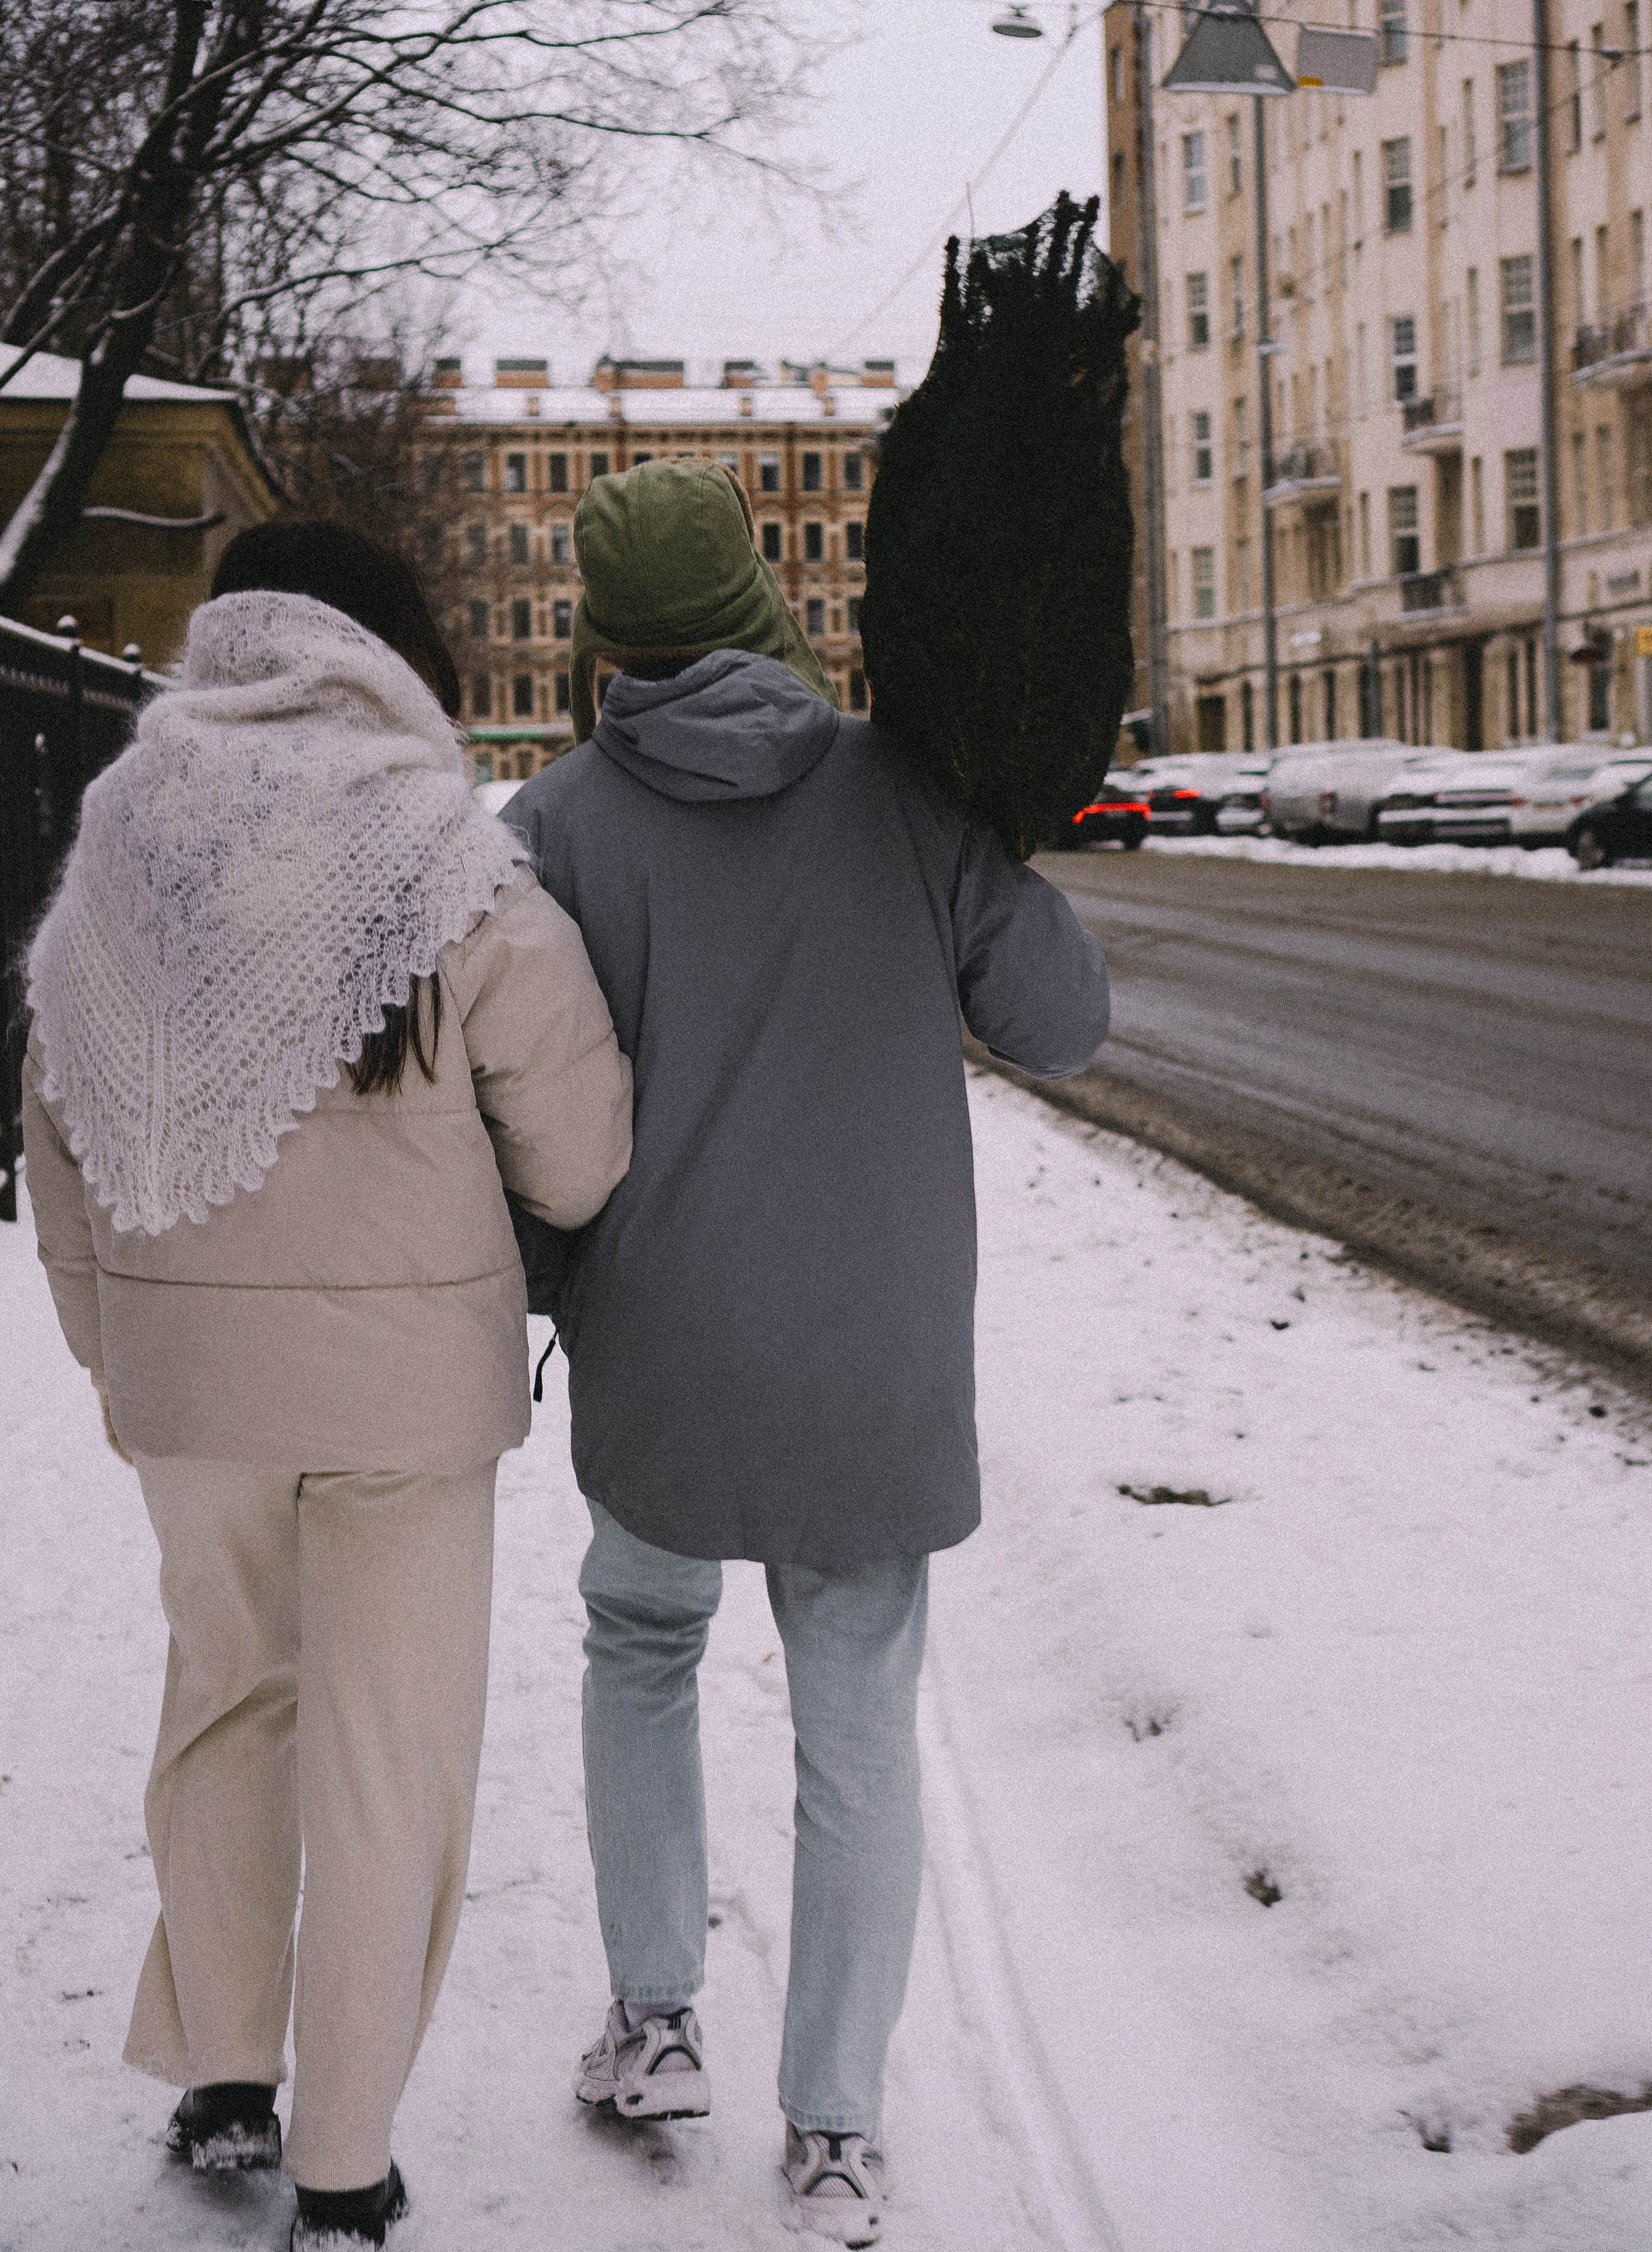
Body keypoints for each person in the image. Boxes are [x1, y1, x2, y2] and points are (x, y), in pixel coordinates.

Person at [503, 458, 1108, 2245]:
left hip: (665, 1352)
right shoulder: (910, 791)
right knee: (857, 1724)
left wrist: (552, 1293)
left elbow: (529, 1120)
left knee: (643, 1640)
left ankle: (656, 2016)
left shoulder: (551, 826)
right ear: (768, 593)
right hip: (877, 1361)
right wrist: (988, 841)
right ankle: (836, 2128)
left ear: (606, 631)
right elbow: (1064, 1025)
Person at [23, 521, 632, 2251]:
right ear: (388, 646)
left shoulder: (125, 846)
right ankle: (346, 2170)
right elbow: (581, 1157)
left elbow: (58, 1126)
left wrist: (113, 1341)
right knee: (385, 1758)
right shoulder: (447, 860)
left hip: (191, 1387)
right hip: (403, 1409)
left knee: (231, 1699)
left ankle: (227, 2078)